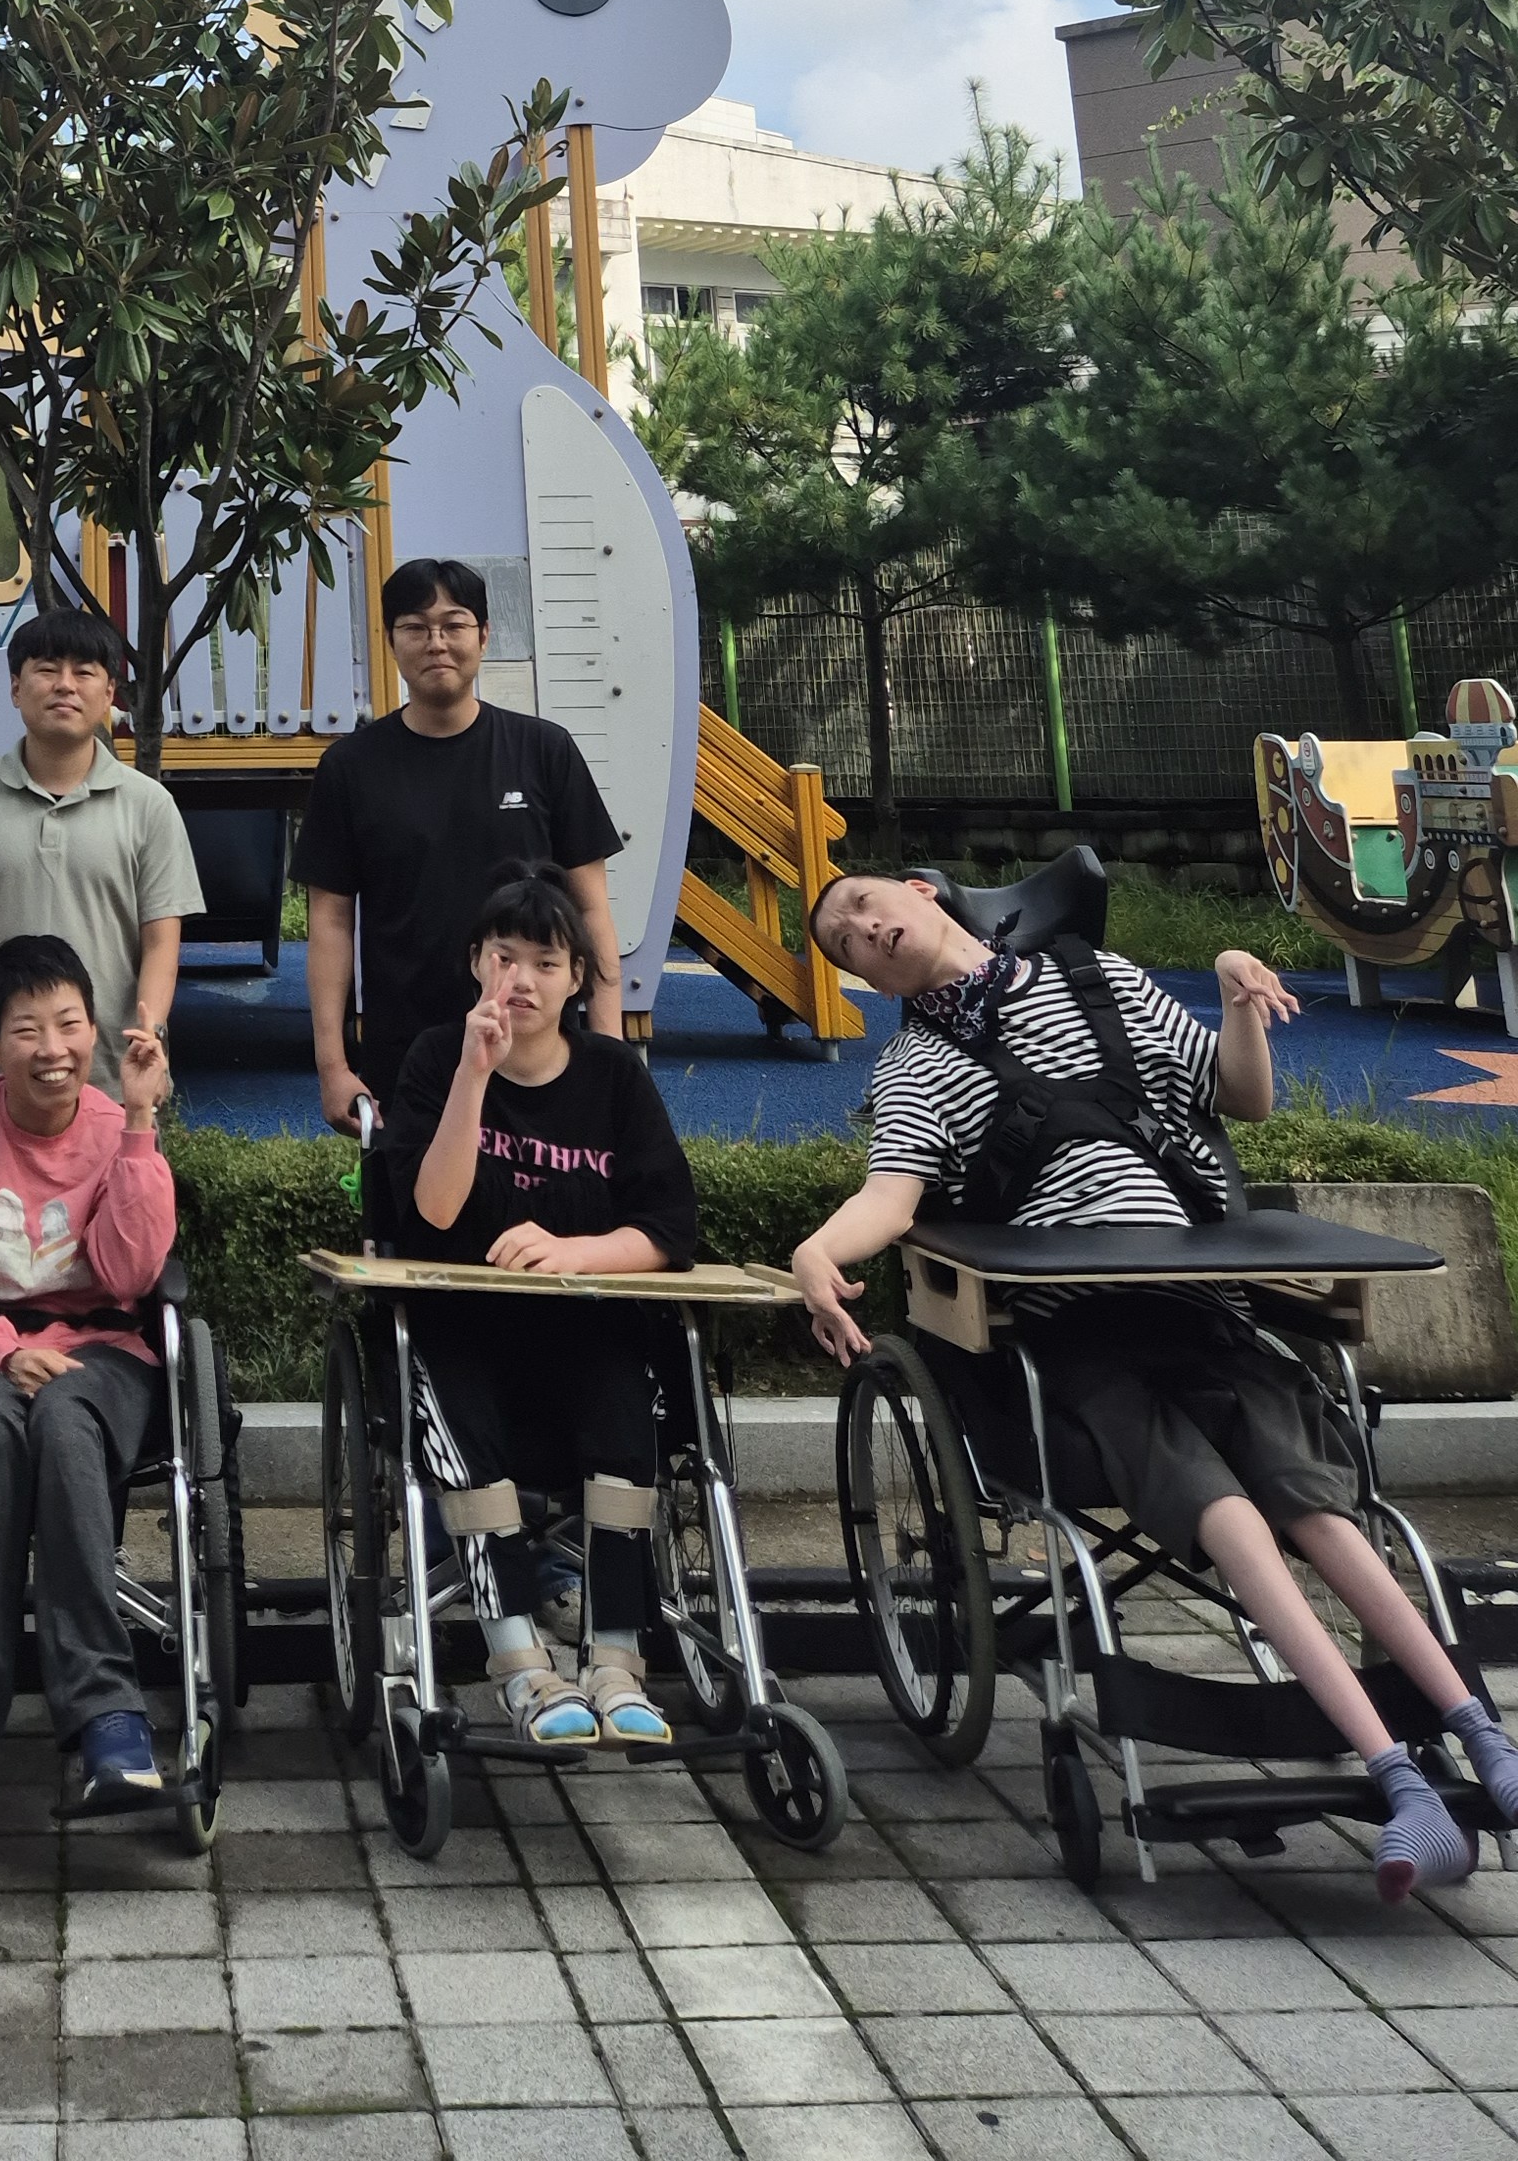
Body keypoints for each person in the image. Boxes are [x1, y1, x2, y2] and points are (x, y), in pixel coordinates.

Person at [794, 868, 1518, 1901]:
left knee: (1318, 1507)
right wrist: (817, 1251)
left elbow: (1240, 1097)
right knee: (1229, 1514)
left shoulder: (1101, 979)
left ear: (921, 893)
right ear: (867, 980)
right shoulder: (917, 1067)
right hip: (1073, 1335)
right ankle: (1399, 1780)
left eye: (867, 905)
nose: (866, 928)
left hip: (1198, 1304)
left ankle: (1485, 1739)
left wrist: (1233, 995)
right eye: (847, 941)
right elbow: (892, 1195)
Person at [379, 871, 695, 1747]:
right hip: (460, 1330)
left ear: (575, 979)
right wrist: (473, 1076)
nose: (521, 979)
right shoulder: (435, 1059)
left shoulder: (613, 1076)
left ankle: (617, 1662)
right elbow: (431, 1214)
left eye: (545, 963)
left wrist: (576, 1253)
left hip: (583, 1326)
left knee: (627, 1409)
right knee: (464, 1421)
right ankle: (520, 1663)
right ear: (475, 963)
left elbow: (669, 1227)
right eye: (504, 957)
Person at [0, 933, 179, 1813]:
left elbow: (131, 1275)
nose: (53, 1048)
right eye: (27, 1029)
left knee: (64, 1418)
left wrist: (138, 1123)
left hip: (102, 1352)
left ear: (94, 1030)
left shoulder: (115, 1127)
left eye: (69, 1023)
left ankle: (106, 1713)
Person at [300, 555, 626, 1133]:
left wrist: (609, 1050)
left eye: (454, 625)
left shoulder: (544, 751)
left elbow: (593, 909)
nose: (436, 643)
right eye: (415, 627)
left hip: (539, 1052)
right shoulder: (350, 767)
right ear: (390, 640)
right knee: (416, 1190)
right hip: (406, 1055)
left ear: (484, 635)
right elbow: (329, 922)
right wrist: (333, 1065)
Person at [0, 609, 201, 1104]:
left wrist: (150, 1032)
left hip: (113, 1076)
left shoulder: (149, 805)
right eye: (47, 669)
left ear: (109, 694)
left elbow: (161, 943)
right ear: (15, 687)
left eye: (84, 672)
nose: (65, 685)